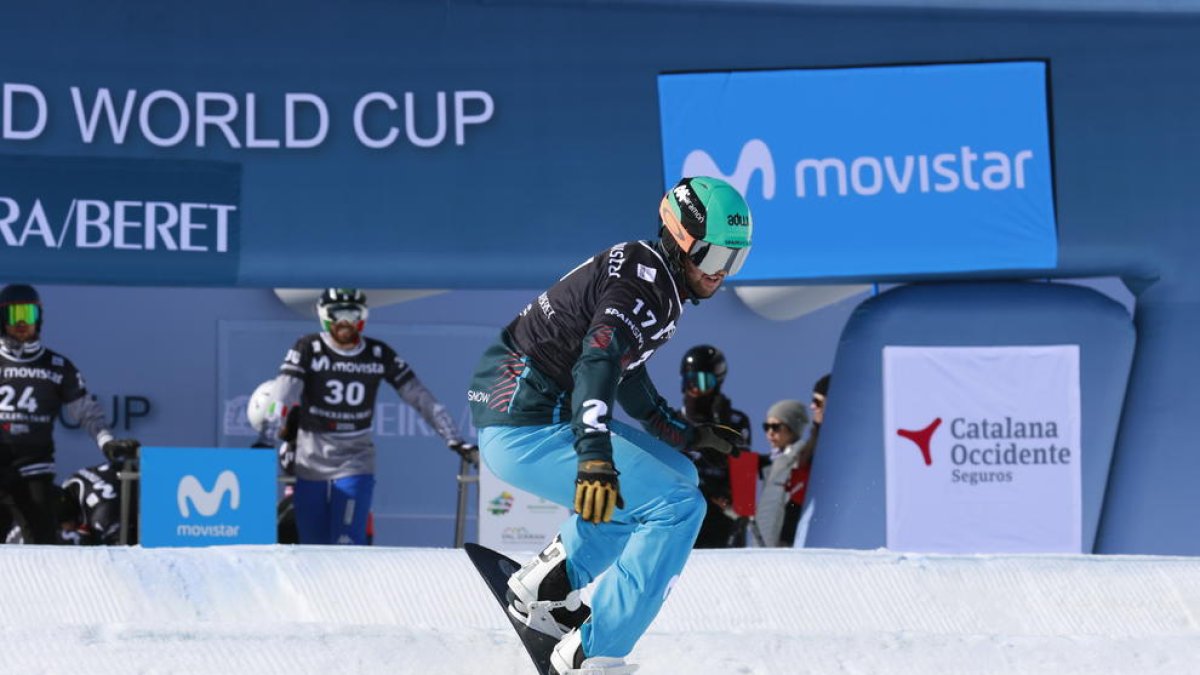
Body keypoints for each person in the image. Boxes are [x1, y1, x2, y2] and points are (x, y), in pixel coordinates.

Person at [468, 176, 753, 674]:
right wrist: (595, 457)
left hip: (524, 411)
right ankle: (589, 656)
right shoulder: (644, 285)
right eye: (713, 258)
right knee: (677, 507)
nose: (721, 274)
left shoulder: (654, 273)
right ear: (681, 238)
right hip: (523, 425)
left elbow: (625, 369)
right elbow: (598, 362)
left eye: (735, 260)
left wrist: (685, 435)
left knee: (680, 476)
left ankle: (547, 586)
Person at [267, 288, 475, 545]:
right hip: (310, 462)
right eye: (337, 314)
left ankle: (347, 586)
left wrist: (454, 439)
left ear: (363, 317)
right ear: (323, 315)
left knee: (346, 541)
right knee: (311, 543)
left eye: (352, 314)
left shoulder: (377, 353)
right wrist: (267, 434)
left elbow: (419, 396)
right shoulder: (309, 346)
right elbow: (283, 391)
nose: (345, 322)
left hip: (354, 461)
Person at [0, 284, 140, 545]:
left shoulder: (58, 366)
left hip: (34, 468)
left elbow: (87, 412)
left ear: (39, 318)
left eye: (28, 314)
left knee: (42, 544)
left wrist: (107, 441)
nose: (21, 322)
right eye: (13, 315)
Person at [677, 344, 752, 548]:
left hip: (722, 517)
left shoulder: (736, 421)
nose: (695, 389)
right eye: (690, 380)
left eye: (703, 382)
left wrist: (721, 421)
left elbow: (745, 479)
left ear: (717, 382)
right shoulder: (673, 422)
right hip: (683, 512)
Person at [756, 398, 810, 547]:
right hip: (766, 546)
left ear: (792, 428)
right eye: (766, 427)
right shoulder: (772, 463)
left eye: (776, 426)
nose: (770, 432)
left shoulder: (800, 459)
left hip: (786, 546)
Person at [59, 457, 138, 545]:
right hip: (145, 468)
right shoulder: (74, 482)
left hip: (149, 491)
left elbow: (122, 551)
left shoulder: (101, 516)